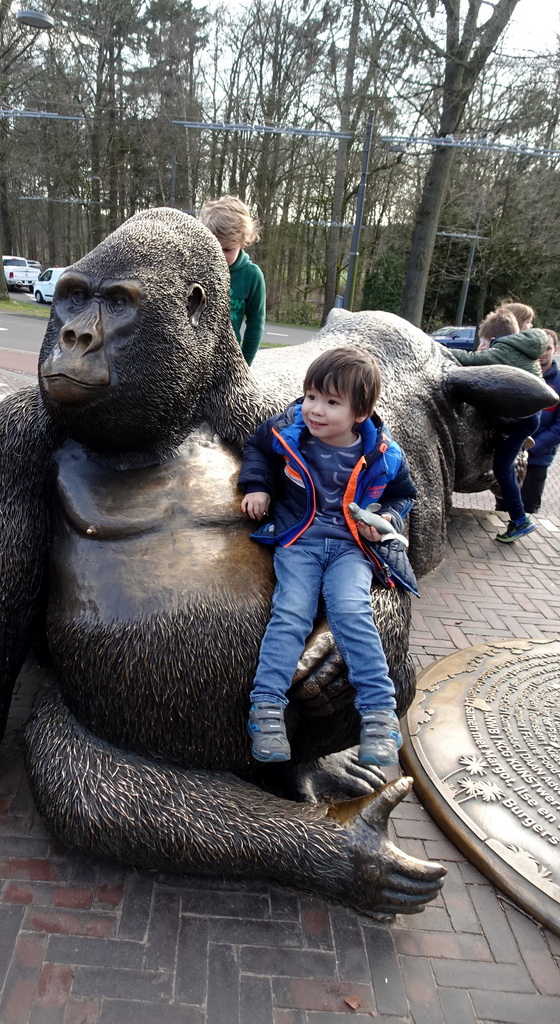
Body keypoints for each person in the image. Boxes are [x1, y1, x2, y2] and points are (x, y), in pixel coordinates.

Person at [238, 346, 417, 767]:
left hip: (350, 548)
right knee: (291, 612)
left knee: (353, 613)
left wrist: (386, 518)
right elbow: (257, 448)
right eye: (312, 396)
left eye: (332, 402)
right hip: (298, 541)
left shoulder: (384, 454)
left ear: (360, 413)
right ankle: (265, 707)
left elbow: (403, 494)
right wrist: (258, 486)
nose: (315, 410)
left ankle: (378, 714)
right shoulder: (288, 429)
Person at [452, 309, 547, 543]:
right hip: (528, 417)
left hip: (519, 421)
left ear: (493, 339)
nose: (482, 347)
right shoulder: (521, 349)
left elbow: (472, 360)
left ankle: (519, 519)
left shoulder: (503, 351)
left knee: (502, 467)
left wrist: (437, 348)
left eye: (484, 342)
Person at [198, 195, 266, 365]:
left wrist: (244, 365)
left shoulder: (252, 276)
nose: (219, 254)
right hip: (195, 358)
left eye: (227, 249)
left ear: (244, 243)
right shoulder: (196, 269)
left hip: (227, 362)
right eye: (213, 246)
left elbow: (255, 324)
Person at [520, 329, 560, 514]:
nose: (543, 353)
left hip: (538, 459)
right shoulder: (521, 374)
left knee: (528, 507)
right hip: (515, 455)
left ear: (556, 350)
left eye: (548, 348)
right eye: (540, 348)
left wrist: (533, 448)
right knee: (503, 506)